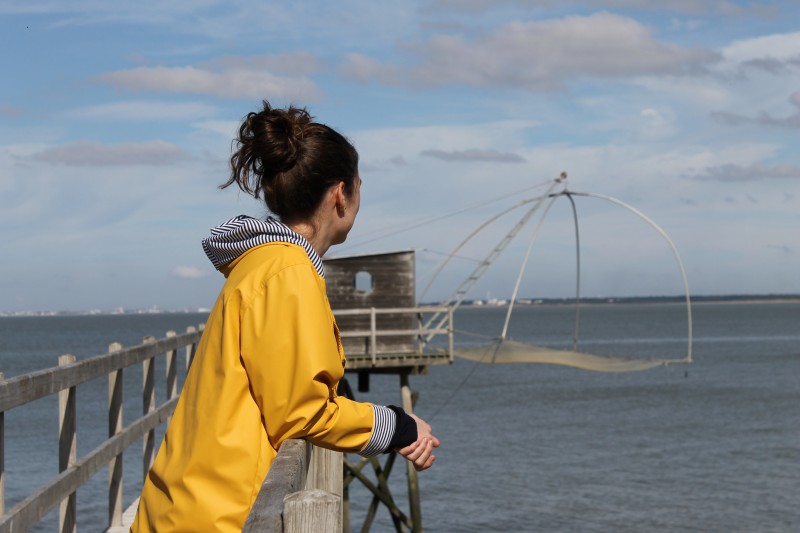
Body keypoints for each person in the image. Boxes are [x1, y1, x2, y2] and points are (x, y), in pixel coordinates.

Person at [131, 101, 439, 532]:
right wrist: (398, 425)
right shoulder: (288, 271)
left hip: (190, 503)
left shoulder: (263, 264)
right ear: (339, 195)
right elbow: (299, 411)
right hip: (218, 516)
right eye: (359, 188)